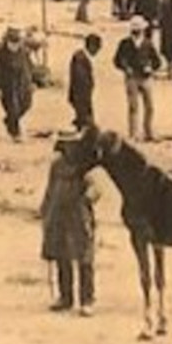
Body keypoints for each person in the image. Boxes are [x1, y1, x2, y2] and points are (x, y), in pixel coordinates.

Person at [39, 128, 100, 315]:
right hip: (59, 215)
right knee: (61, 255)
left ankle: (86, 300)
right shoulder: (56, 165)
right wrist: (45, 210)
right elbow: (50, 189)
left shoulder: (85, 166)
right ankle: (65, 298)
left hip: (79, 215)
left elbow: (96, 188)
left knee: (84, 257)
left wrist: (88, 197)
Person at [114, 16, 162, 142]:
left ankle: (148, 131)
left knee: (149, 106)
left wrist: (151, 68)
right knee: (133, 106)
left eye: (138, 29)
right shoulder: (125, 43)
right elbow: (117, 60)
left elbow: (157, 61)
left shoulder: (147, 43)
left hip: (146, 78)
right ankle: (133, 133)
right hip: (132, 78)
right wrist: (125, 68)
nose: (136, 32)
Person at [0, 27, 35, 142]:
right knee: (12, 109)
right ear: (7, 41)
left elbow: (30, 67)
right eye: (12, 43)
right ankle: (15, 133)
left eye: (17, 42)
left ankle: (9, 120)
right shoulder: (0, 54)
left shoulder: (24, 52)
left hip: (23, 84)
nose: (15, 46)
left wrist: (34, 82)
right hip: (8, 86)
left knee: (26, 104)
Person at [68, 34, 101, 129]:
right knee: (85, 120)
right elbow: (80, 79)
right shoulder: (80, 58)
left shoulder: (81, 57)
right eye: (97, 48)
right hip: (80, 95)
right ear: (91, 46)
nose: (97, 52)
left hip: (82, 95)